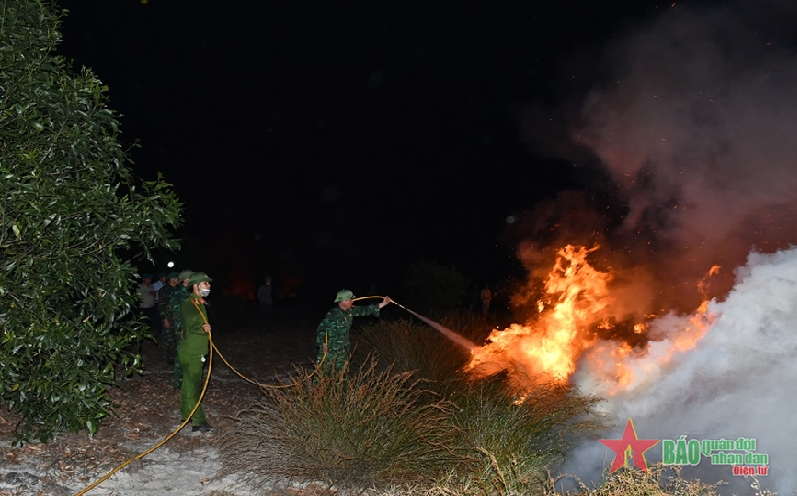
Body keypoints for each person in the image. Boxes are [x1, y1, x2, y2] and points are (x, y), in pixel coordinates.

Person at [315, 289, 392, 375]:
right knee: (323, 372)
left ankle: (340, 388)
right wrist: (323, 343)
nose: (352, 301)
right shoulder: (333, 314)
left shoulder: (350, 310)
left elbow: (366, 310)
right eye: (350, 300)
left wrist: (383, 303)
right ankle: (318, 388)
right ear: (343, 301)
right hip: (330, 349)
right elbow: (322, 328)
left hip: (343, 349)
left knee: (341, 373)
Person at [178, 271, 215, 433]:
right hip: (192, 352)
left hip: (193, 350)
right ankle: (199, 421)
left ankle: (187, 416)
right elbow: (190, 325)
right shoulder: (190, 304)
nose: (208, 285)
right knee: (194, 387)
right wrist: (201, 328)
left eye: (208, 283)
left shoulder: (199, 302)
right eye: (205, 283)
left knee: (188, 385)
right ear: (196, 286)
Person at [158, 272, 180, 365]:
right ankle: (169, 358)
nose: (177, 280)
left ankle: (177, 356)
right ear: (172, 279)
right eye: (176, 278)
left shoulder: (178, 290)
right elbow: (161, 306)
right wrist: (165, 319)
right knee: (169, 338)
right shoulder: (164, 290)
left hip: (178, 317)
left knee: (178, 337)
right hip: (169, 317)